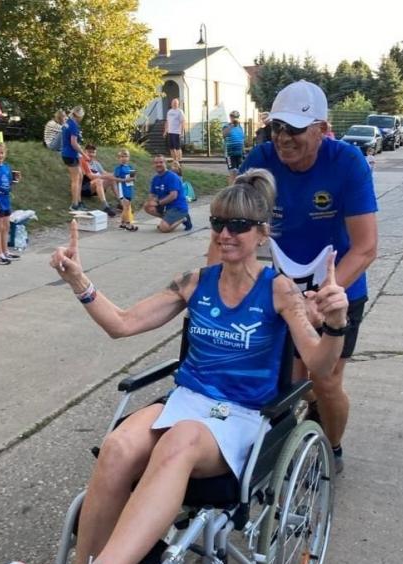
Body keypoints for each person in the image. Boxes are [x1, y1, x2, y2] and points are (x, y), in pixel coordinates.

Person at [0, 169, 349, 564]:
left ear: (261, 233)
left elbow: (319, 364)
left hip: (241, 417)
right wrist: (78, 282)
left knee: (180, 439)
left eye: (238, 225)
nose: (225, 233)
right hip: (187, 401)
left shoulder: (280, 291)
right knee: (117, 446)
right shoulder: (196, 282)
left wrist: (336, 324)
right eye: (218, 222)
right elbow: (122, 323)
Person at [208, 80, 378, 474]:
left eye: (295, 129)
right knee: (289, 379)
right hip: (285, 288)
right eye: (277, 127)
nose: (283, 138)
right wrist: (213, 288)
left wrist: (322, 296)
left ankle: (331, 448)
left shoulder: (347, 163)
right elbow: (229, 227)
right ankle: (301, 424)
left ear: (321, 129)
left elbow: (366, 247)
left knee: (325, 380)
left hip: (338, 286)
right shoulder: (261, 159)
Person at [144, 155, 192, 232]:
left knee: (164, 228)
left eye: (161, 162)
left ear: (165, 163)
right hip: (165, 207)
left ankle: (183, 218)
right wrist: (151, 201)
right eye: (156, 163)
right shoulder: (155, 179)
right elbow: (152, 194)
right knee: (147, 206)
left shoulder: (172, 177)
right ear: (153, 164)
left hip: (178, 207)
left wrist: (158, 203)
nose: (158, 164)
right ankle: (168, 220)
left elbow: (173, 196)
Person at [80, 144, 118, 217]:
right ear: (85, 152)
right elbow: (91, 176)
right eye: (89, 152)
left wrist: (115, 174)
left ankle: (120, 202)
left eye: (93, 152)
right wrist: (105, 176)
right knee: (99, 180)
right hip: (85, 188)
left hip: (95, 187)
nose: (91, 154)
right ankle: (105, 206)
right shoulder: (83, 161)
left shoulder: (96, 163)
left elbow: (104, 173)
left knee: (112, 179)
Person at [62, 106, 86, 211]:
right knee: (75, 179)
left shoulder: (68, 123)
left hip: (69, 154)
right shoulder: (73, 126)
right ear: (80, 116)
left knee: (80, 176)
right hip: (70, 155)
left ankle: (79, 201)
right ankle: (74, 205)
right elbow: (74, 143)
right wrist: (84, 154)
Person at [112, 149, 138, 231]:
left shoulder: (130, 167)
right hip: (122, 188)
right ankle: (129, 224)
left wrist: (133, 178)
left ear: (128, 157)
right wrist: (124, 180)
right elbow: (115, 178)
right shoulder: (118, 168)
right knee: (126, 207)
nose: (124, 158)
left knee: (126, 207)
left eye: (126, 156)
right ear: (118, 158)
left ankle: (122, 223)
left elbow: (133, 177)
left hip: (129, 188)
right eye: (121, 157)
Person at [222, 110, 245, 184]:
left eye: (236, 117)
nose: (235, 118)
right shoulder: (227, 126)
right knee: (232, 172)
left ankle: (237, 187)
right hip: (230, 153)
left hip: (239, 153)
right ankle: (231, 188)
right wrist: (231, 126)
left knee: (239, 172)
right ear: (230, 118)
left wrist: (243, 152)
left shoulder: (240, 127)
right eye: (233, 117)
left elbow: (242, 140)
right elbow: (224, 134)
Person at [163, 98, 185, 162]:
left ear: (178, 104)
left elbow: (183, 122)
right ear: (171, 104)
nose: (174, 104)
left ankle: (179, 161)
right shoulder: (169, 111)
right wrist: (165, 131)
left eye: (176, 103)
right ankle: (174, 160)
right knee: (171, 148)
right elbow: (167, 122)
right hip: (170, 132)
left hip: (177, 132)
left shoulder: (180, 111)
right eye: (173, 103)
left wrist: (182, 132)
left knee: (177, 148)